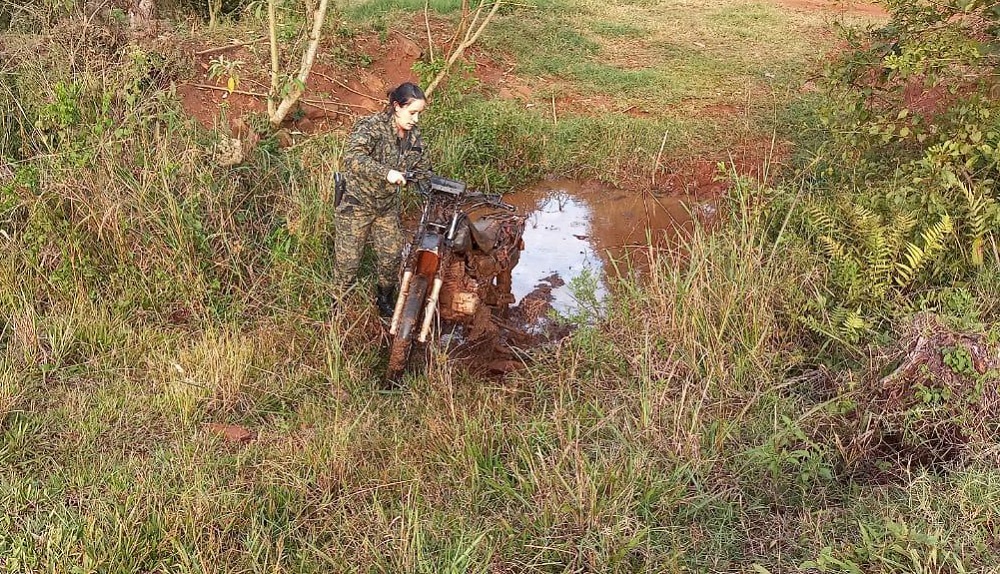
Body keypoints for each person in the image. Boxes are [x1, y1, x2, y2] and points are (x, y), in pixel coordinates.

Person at [334, 82, 432, 316]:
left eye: (419, 114)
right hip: (356, 205)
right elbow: (352, 158)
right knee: (348, 261)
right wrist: (386, 173)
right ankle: (336, 305)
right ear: (397, 106)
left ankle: (384, 299)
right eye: (412, 113)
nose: (415, 120)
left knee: (391, 254)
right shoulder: (372, 127)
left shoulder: (413, 138)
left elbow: (423, 171)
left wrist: (429, 188)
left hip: (386, 208)